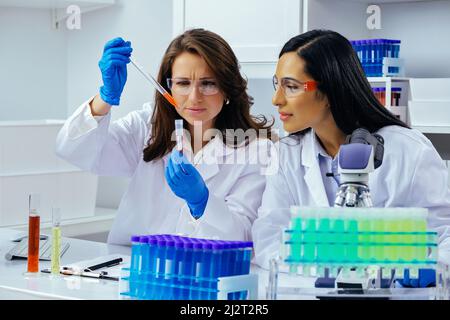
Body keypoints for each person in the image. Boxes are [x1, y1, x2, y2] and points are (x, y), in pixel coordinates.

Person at [251, 30, 450, 287]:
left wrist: (421, 270)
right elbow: (270, 238)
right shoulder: (286, 155)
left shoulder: (408, 151)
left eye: (291, 87)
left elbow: (444, 234)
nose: (276, 99)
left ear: (330, 88)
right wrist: (327, 271)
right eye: (277, 84)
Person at [56, 29, 273, 245]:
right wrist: (105, 98)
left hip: (202, 270)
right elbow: (73, 150)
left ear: (227, 88)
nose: (194, 97)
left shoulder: (255, 150)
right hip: (132, 263)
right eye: (183, 83)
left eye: (208, 83)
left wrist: (202, 202)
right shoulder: (146, 127)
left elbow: (243, 237)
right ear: (167, 88)